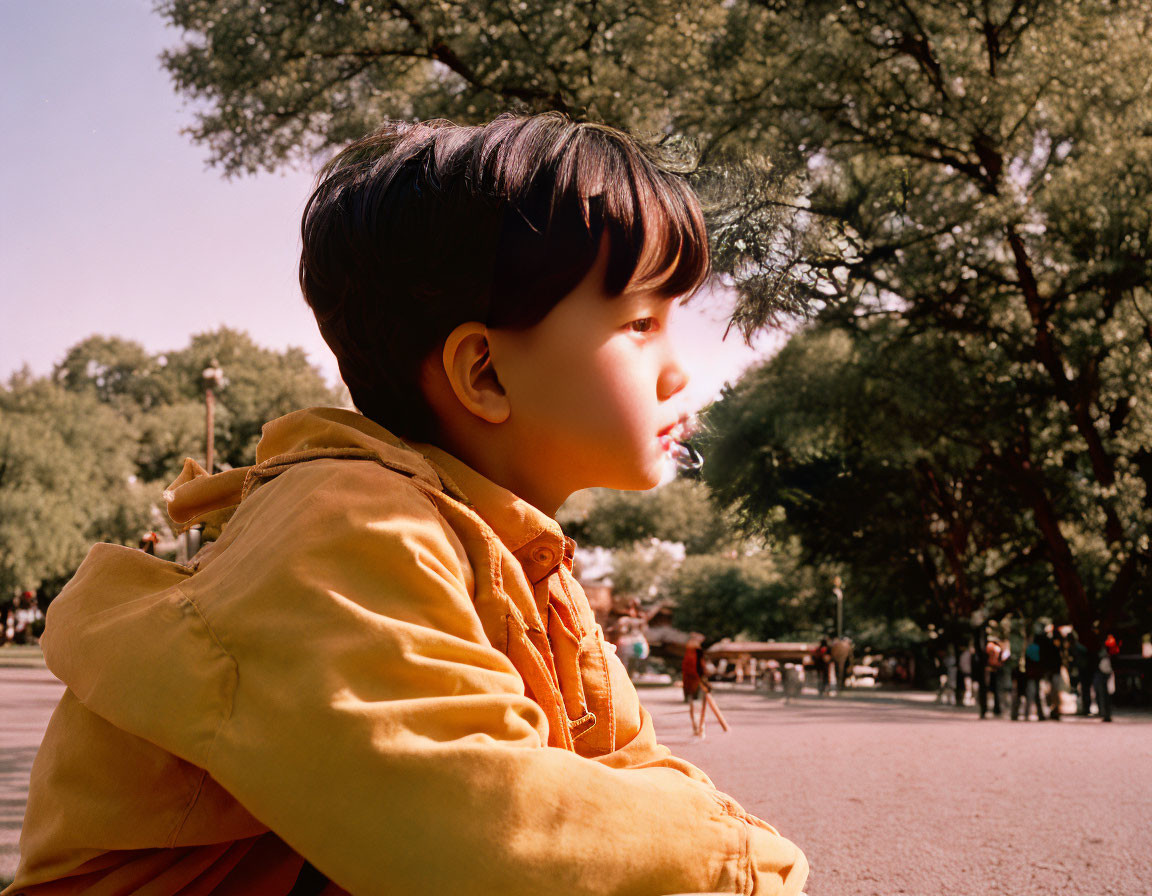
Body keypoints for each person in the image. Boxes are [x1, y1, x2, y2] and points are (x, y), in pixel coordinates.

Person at [8, 114, 807, 896]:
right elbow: (481, 830)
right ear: (485, 375)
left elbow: (628, 766)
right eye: (641, 322)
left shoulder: (535, 569)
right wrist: (744, 859)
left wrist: (725, 854)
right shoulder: (347, 521)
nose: (680, 370)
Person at [681, 632, 708, 738]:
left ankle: (698, 728)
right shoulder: (694, 652)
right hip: (696, 681)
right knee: (697, 705)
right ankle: (699, 728)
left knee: (694, 705)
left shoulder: (690, 651)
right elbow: (697, 668)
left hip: (692, 681)